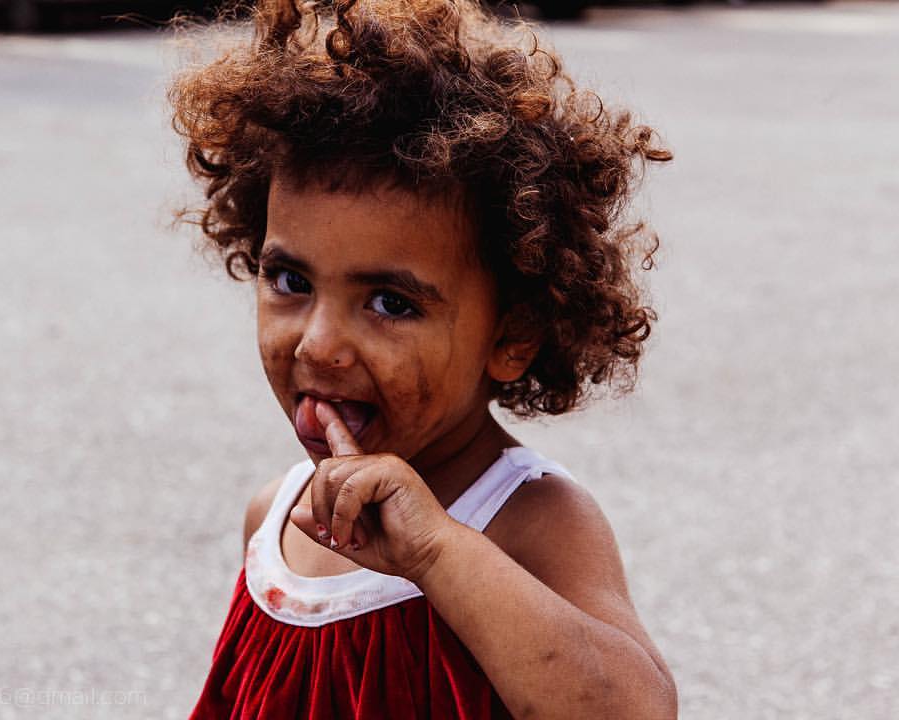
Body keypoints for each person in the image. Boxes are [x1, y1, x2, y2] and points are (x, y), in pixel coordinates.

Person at [171, 0, 676, 716]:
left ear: (513, 336)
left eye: (390, 303)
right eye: (291, 281)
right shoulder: (274, 520)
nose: (318, 344)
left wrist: (438, 553)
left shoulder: (528, 519)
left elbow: (634, 711)